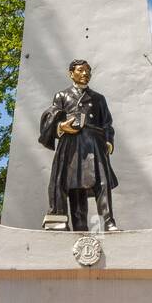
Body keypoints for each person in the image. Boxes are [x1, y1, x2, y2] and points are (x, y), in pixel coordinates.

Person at [38, 59, 118, 231]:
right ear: (71, 73)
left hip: (94, 143)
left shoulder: (98, 99)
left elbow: (107, 123)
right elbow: (51, 116)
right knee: (74, 186)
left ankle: (109, 222)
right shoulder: (62, 96)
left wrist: (108, 141)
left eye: (88, 71)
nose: (85, 74)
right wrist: (61, 127)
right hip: (71, 144)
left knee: (101, 182)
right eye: (81, 70)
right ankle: (79, 227)